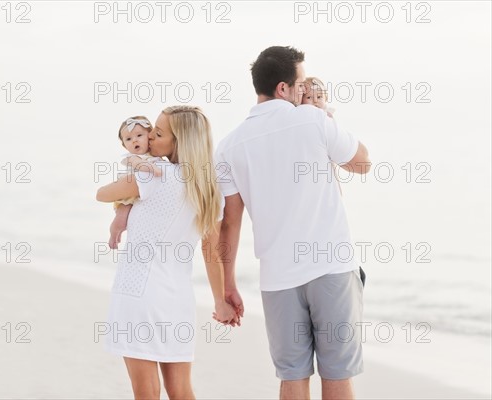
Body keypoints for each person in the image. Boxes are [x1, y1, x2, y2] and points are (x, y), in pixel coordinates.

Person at [215, 46, 371, 399]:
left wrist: (227, 285)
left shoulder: (228, 147)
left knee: (291, 378)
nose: (304, 91)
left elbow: (230, 224)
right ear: (284, 88)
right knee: (337, 376)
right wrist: (324, 118)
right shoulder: (313, 119)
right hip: (331, 268)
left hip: (278, 278)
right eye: (300, 84)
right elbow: (362, 163)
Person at [96, 105, 239, 400]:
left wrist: (134, 169)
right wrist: (220, 301)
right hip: (179, 299)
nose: (149, 138)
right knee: (181, 391)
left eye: (158, 133)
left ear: (178, 142)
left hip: (138, 295)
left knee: (146, 393)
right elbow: (211, 251)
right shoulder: (208, 188)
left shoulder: (153, 176)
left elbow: (101, 193)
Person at [108, 116, 163, 249]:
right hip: (127, 197)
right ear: (124, 145)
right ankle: (114, 236)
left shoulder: (156, 155)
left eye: (139, 135)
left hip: (142, 195)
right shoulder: (131, 158)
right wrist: (152, 168)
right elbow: (139, 165)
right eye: (128, 139)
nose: (134, 140)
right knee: (121, 220)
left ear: (149, 136)